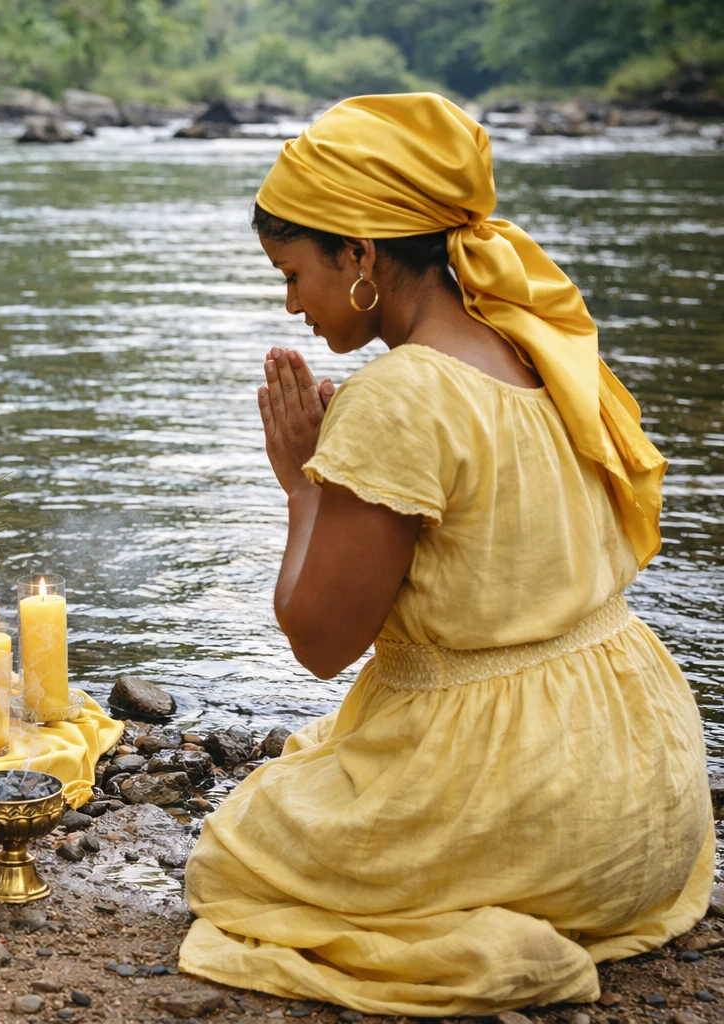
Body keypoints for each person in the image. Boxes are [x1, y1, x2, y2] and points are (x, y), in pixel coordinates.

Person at [178, 94, 712, 1016]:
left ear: (360, 256)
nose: (290, 303)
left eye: (292, 272)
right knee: (315, 760)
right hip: (646, 795)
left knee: (231, 857)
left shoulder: (403, 396)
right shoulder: (532, 342)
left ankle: (502, 939)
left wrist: (302, 484)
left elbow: (318, 643)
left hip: (528, 795)